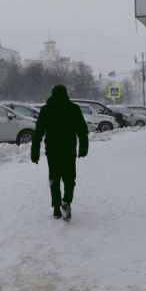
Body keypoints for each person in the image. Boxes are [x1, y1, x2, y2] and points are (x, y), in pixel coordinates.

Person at [31, 85, 89, 220]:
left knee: (54, 178)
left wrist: (34, 152)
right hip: (69, 149)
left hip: (52, 150)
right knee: (69, 178)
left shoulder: (46, 110)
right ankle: (67, 201)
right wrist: (83, 148)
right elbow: (82, 130)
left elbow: (38, 132)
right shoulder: (73, 109)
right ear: (65, 94)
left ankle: (56, 208)